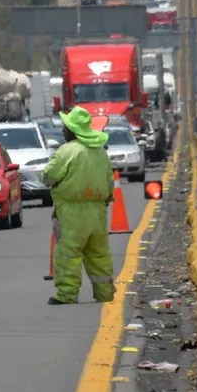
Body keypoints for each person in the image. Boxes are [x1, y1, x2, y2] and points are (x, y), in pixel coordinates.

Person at [40, 106, 115, 305]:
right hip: (98, 211)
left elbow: (49, 176)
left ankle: (67, 294)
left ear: (72, 130)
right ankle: (105, 293)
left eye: (65, 127)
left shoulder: (66, 152)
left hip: (72, 212)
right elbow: (109, 184)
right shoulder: (100, 153)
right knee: (99, 255)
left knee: (68, 253)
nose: (63, 130)